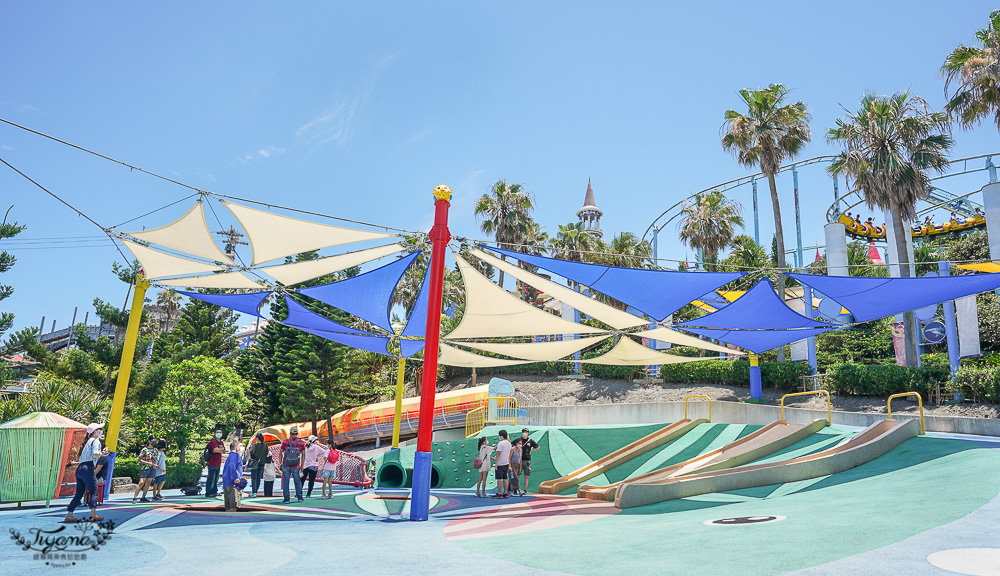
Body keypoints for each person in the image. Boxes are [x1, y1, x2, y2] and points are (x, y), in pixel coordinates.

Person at [64, 423, 109, 523]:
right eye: (99, 429)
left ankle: (69, 515)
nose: (101, 431)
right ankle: (93, 514)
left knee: (79, 494)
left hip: (80, 468)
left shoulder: (87, 442)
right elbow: (94, 454)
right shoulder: (96, 441)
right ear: (95, 432)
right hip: (88, 468)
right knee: (94, 491)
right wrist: (103, 453)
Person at [278, 426, 306, 503]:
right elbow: (303, 454)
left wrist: (280, 463)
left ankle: (286, 498)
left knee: (286, 482)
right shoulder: (301, 442)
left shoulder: (285, 442)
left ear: (290, 433)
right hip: (296, 465)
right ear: (297, 433)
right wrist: (302, 465)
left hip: (286, 464)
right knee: (297, 481)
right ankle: (299, 497)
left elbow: (280, 453)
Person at [133, 436, 159, 504]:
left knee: (149, 482)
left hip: (152, 468)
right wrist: (148, 463)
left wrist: (155, 464)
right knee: (141, 482)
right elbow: (139, 459)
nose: (154, 442)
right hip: (145, 468)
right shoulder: (144, 450)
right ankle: (135, 497)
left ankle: (143, 497)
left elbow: (156, 458)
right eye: (153, 440)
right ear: (149, 441)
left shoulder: (155, 450)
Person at [222, 440, 244, 512]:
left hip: (226, 482)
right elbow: (232, 466)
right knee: (233, 506)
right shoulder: (235, 455)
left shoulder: (229, 456)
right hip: (232, 482)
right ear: (236, 447)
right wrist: (235, 477)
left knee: (228, 507)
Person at [245, 433, 268, 497]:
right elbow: (266, 454)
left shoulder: (254, 445)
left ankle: (254, 492)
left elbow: (249, 451)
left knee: (254, 478)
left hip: (254, 463)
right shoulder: (265, 446)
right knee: (258, 478)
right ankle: (256, 491)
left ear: (257, 438)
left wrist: (249, 446)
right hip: (262, 463)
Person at [518, 428, 539, 495]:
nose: (525, 433)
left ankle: (525, 489)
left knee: (526, 475)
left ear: (528, 433)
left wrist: (531, 451)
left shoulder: (530, 441)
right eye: (524, 432)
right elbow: (512, 444)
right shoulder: (519, 440)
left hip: (527, 460)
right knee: (518, 475)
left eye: (526, 432)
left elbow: (537, 446)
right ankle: (516, 489)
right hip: (519, 460)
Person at [205, 428, 225, 498]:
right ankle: (209, 492)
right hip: (212, 463)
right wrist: (220, 450)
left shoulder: (221, 443)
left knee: (216, 479)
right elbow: (215, 450)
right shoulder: (213, 441)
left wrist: (219, 450)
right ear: (215, 433)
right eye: (217, 432)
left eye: (220, 432)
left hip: (218, 464)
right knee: (211, 479)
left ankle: (214, 492)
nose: (219, 433)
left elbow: (224, 451)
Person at [491, 430, 511, 499]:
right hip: (506, 463)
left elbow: (498, 454)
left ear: (501, 436)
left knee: (499, 479)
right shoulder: (509, 443)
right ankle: (505, 493)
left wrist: (496, 463)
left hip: (500, 463)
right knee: (505, 478)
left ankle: (499, 493)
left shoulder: (501, 443)